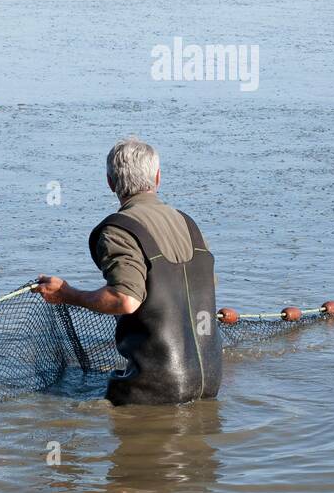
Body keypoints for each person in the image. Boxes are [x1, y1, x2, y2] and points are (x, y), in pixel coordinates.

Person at [35, 136, 222, 405]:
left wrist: (67, 294)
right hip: (209, 383)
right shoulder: (189, 224)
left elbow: (125, 300)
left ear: (110, 182)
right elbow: (206, 289)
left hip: (154, 391)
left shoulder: (117, 230)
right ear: (157, 178)